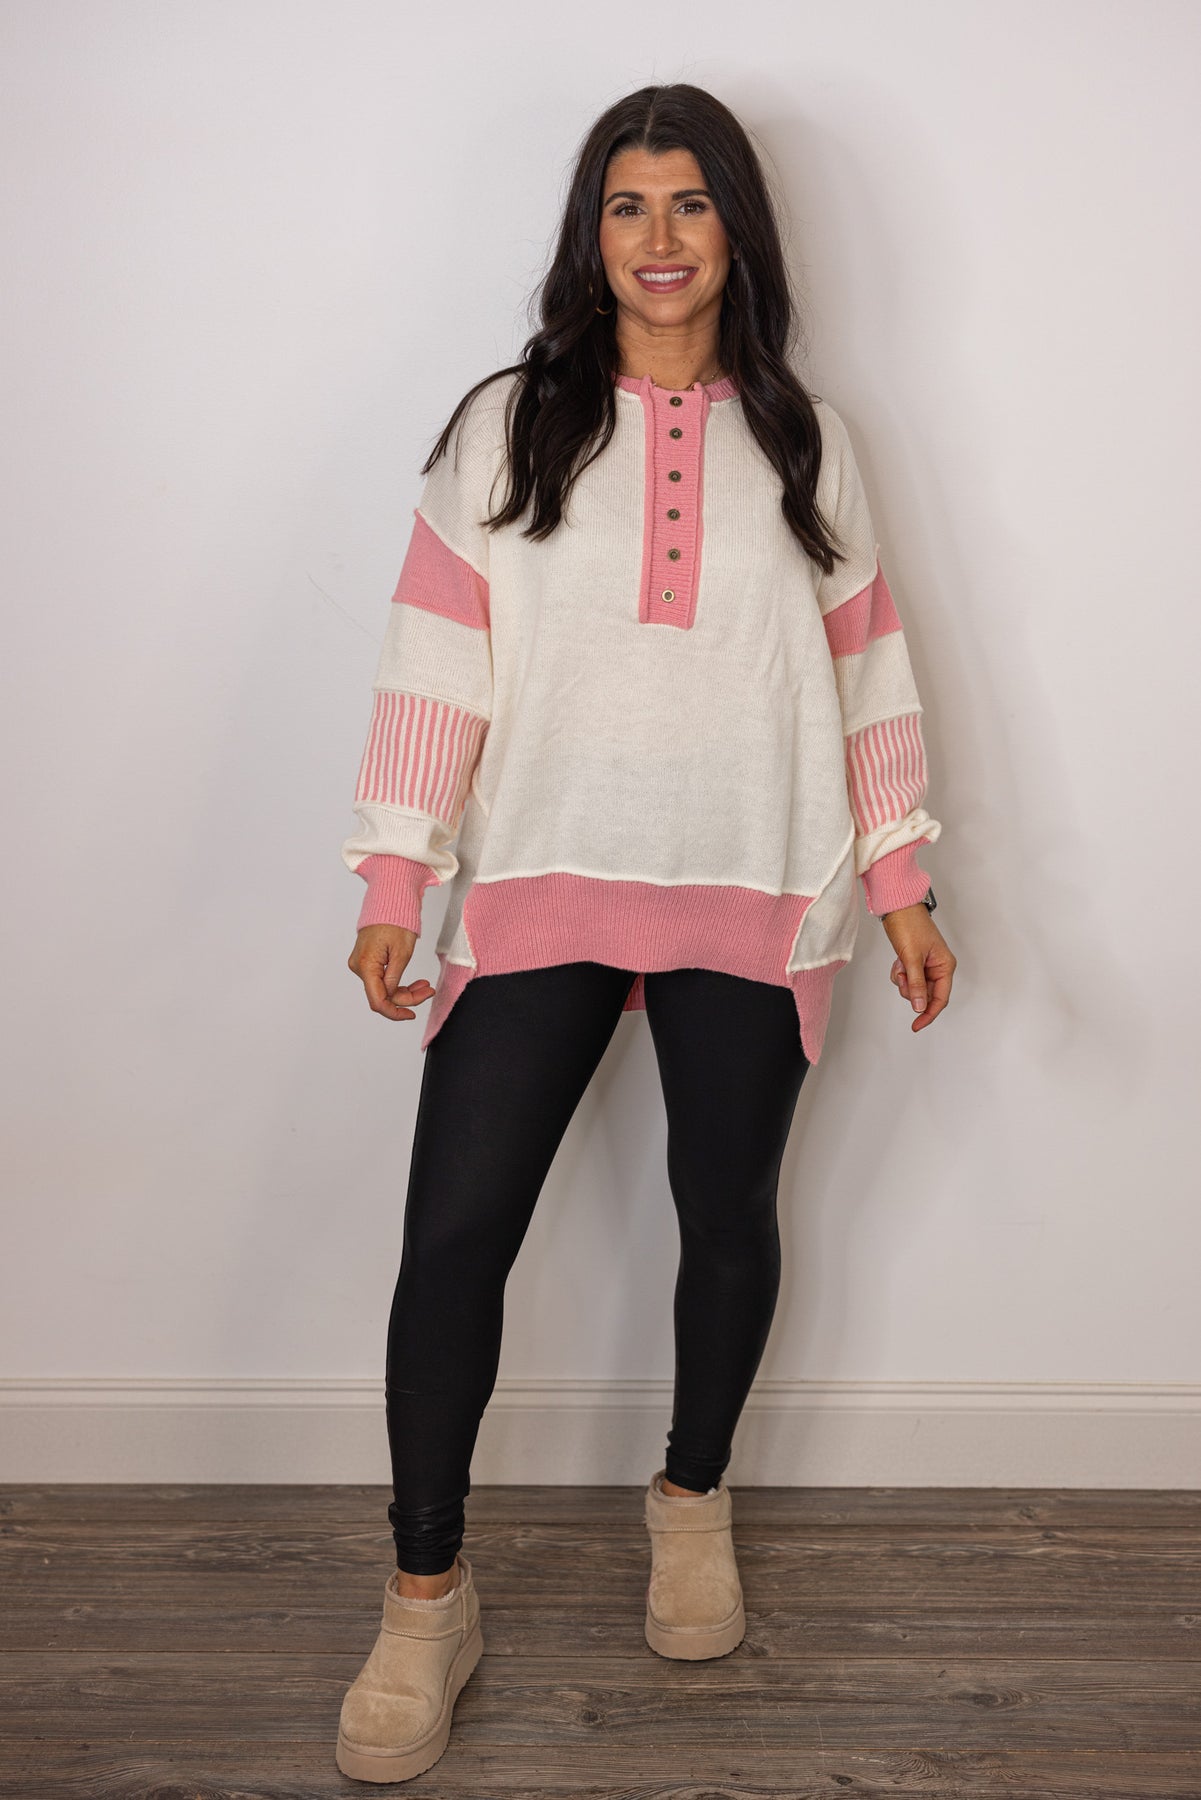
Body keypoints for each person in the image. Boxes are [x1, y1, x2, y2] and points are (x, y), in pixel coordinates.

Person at [334, 82, 957, 1785]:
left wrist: (899, 880)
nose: (659, 237)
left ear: (736, 228)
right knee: (454, 1239)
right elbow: (433, 659)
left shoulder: (806, 436)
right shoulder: (508, 425)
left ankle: (690, 1501)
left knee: (724, 1215)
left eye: (690, 203)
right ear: (587, 231)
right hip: (541, 874)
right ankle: (424, 1596)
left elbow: (866, 672)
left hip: (756, 881)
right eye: (627, 204)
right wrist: (396, 877)